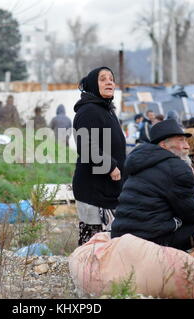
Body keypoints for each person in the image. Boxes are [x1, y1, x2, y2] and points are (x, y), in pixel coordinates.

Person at [111, 119, 194, 298]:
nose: (186, 146)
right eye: (180, 140)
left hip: (122, 237)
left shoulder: (137, 162)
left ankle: (181, 270)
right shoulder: (176, 167)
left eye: (186, 140)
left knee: (176, 222)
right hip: (152, 239)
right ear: (164, 145)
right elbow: (192, 213)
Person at [72, 66, 126, 246]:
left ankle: (103, 274)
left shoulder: (106, 109)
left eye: (111, 78)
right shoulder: (89, 111)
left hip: (107, 189)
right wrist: (110, 165)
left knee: (108, 242)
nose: (109, 81)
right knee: (93, 243)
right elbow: (86, 146)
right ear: (93, 85)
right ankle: (85, 273)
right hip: (93, 190)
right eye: (103, 79)